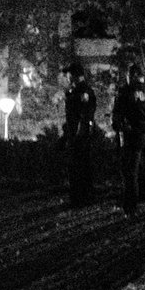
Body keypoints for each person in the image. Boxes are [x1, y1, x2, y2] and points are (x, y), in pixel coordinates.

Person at [110, 61, 145, 214]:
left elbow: (118, 114)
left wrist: (119, 127)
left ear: (133, 75)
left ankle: (131, 206)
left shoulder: (127, 91)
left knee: (131, 171)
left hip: (135, 135)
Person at [63, 63, 99, 207]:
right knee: (79, 166)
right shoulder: (77, 90)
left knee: (80, 166)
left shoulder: (83, 91)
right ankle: (80, 197)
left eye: (68, 74)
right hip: (77, 134)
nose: (67, 77)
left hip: (80, 136)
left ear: (74, 75)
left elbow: (84, 113)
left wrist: (78, 131)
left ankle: (81, 198)